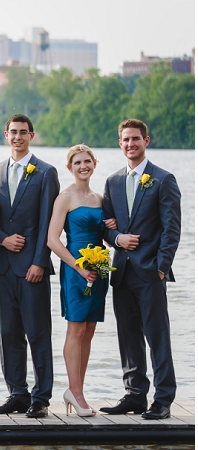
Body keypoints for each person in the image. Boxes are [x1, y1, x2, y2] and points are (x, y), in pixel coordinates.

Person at [99, 119, 181, 420]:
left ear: (146, 140)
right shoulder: (113, 182)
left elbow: (172, 229)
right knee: (128, 335)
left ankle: (163, 399)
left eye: (135, 139)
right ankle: (135, 394)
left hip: (150, 272)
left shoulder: (163, 179)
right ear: (120, 143)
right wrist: (117, 238)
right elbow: (106, 228)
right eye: (125, 139)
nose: (130, 144)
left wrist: (161, 267)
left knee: (157, 336)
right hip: (121, 272)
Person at [0, 114, 60, 419]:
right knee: (8, 332)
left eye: (23, 132)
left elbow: (47, 223)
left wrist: (40, 261)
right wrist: (1, 240)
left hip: (32, 267)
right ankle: (17, 393)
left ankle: (41, 397)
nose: (17, 137)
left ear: (32, 135)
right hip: (2, 265)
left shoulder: (45, 173)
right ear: (5, 134)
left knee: (38, 332)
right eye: (13, 132)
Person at [46, 144, 107, 417]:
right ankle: (75, 391)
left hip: (100, 268)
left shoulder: (100, 198)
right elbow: (52, 240)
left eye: (87, 161)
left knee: (90, 329)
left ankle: (77, 390)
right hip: (76, 269)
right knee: (76, 329)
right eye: (77, 162)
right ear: (69, 167)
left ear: (95, 163)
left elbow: (105, 234)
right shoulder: (65, 197)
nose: (83, 166)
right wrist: (79, 268)